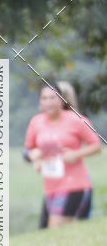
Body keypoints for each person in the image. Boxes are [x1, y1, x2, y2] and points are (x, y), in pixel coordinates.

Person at [24, 79, 101, 227]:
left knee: (55, 230)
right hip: (50, 187)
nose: (49, 102)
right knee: (45, 232)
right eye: (44, 98)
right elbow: (27, 151)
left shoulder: (76, 120)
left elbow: (96, 145)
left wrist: (75, 154)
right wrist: (34, 157)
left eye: (53, 97)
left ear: (62, 100)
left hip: (75, 184)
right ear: (40, 102)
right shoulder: (36, 122)